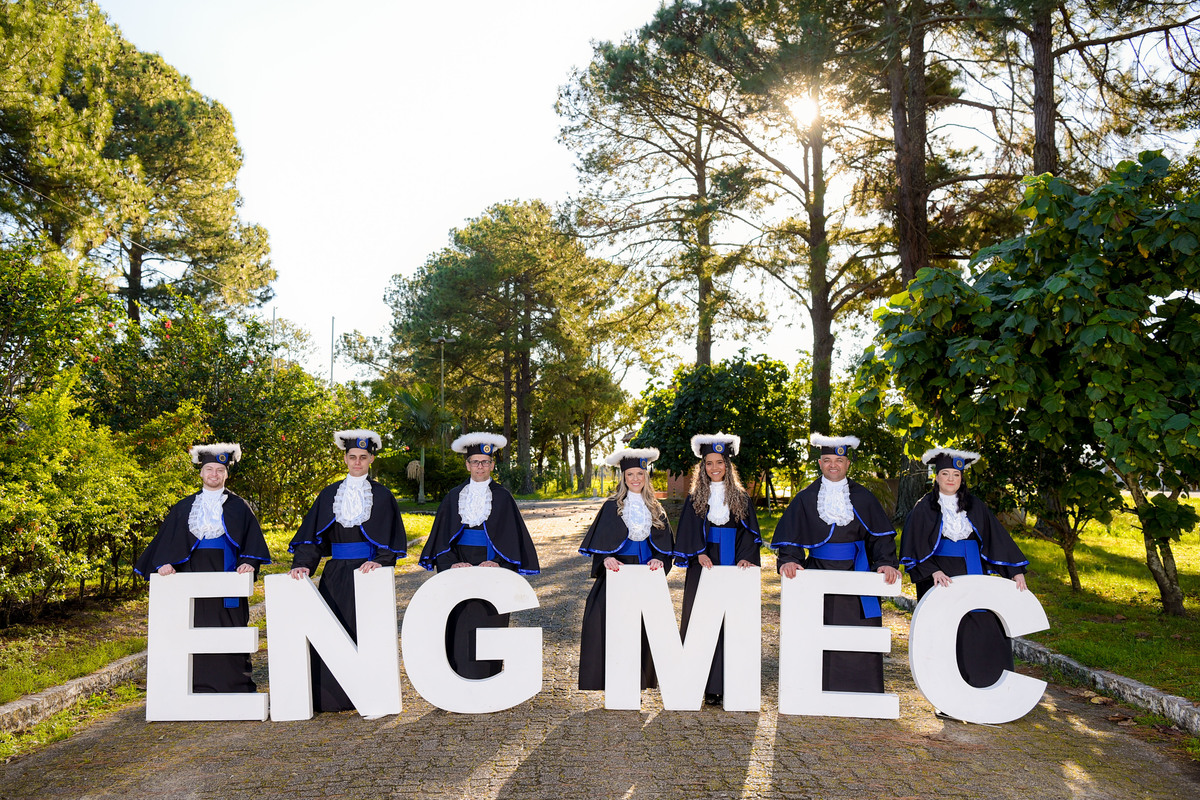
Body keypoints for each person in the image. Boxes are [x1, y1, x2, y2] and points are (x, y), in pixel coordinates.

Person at [135, 443, 271, 693]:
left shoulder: (239, 506)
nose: (214, 474)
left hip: (227, 574)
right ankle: (195, 686)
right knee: (194, 626)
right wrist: (164, 564)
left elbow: (252, 542)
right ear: (201, 472)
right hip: (192, 576)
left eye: (220, 470)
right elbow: (166, 543)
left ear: (227, 474)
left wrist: (249, 562)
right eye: (209, 469)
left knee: (228, 627)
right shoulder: (184, 507)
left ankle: (233, 686)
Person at [288, 429, 407, 712]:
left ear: (371, 459)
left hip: (368, 574)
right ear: (345, 458)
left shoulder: (382, 495)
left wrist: (380, 561)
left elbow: (390, 538)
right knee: (334, 629)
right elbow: (313, 537)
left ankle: (369, 693)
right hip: (336, 574)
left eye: (363, 457)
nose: (357, 462)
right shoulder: (330, 494)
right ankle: (333, 697)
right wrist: (303, 564)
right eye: (352, 457)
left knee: (367, 631)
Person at [771, 433, 900, 693]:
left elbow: (880, 537)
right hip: (817, 574)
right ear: (820, 463)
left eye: (839, 460)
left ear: (848, 464)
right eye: (828, 460)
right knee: (817, 629)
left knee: (857, 632)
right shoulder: (806, 498)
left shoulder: (863, 497)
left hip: (857, 574)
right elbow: (791, 537)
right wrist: (790, 560)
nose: (833, 465)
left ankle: (860, 689)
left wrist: (886, 562)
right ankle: (816, 689)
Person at [901, 448, 1030, 691]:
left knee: (983, 627)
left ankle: (986, 685)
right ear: (936, 476)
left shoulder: (975, 505)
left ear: (962, 478)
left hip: (974, 573)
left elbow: (996, 539)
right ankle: (947, 691)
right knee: (947, 630)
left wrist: (1015, 570)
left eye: (956, 475)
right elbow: (915, 547)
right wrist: (932, 571)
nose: (951, 479)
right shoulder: (923, 507)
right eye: (945, 474)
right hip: (941, 577)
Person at [417, 432, 540, 679]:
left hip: (492, 569)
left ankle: (488, 676)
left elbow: (511, 540)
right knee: (458, 624)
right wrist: (452, 564)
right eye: (475, 462)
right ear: (467, 465)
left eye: (485, 462)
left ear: (492, 465)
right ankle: (458, 677)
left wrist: (498, 563)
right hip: (459, 569)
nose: (480, 466)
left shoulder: (503, 497)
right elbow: (442, 539)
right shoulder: (453, 496)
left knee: (490, 622)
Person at [578, 447, 675, 691]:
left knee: (643, 628)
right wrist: (606, 559)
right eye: (630, 474)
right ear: (623, 477)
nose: (635, 479)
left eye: (640, 474)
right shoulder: (611, 507)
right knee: (613, 625)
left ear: (646, 476)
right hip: (619, 574)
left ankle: (637, 683)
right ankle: (616, 681)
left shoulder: (656, 508)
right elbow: (601, 544)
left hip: (646, 575)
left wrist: (659, 560)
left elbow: (665, 547)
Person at [674, 433, 760, 706]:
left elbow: (749, 534)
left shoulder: (741, 498)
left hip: (732, 564)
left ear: (728, 466)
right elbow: (688, 532)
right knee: (701, 620)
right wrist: (698, 552)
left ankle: (730, 683)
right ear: (702, 467)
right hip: (704, 565)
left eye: (720, 462)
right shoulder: (694, 498)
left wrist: (745, 557)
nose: (714, 468)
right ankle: (705, 685)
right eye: (709, 463)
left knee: (730, 623)